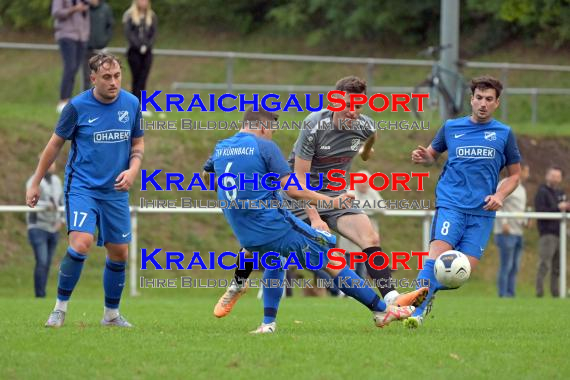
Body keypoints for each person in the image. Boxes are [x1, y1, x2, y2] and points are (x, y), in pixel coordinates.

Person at [213, 76, 428, 318]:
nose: (353, 112)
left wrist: (366, 151)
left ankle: (391, 298)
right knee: (257, 247)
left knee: (370, 236)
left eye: (358, 106)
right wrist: (315, 217)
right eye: (347, 105)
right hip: (299, 196)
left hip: (336, 196)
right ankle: (237, 286)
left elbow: (371, 137)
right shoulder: (314, 125)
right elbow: (300, 180)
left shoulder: (365, 125)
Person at [26, 53, 144, 328]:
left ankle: (111, 315)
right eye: (106, 77)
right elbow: (54, 145)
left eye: (117, 76)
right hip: (83, 187)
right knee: (81, 243)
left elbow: (137, 146)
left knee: (120, 253)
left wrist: (133, 170)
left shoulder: (132, 103)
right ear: (93, 78)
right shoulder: (77, 107)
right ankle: (59, 309)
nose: (113, 82)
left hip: (115, 191)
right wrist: (35, 181)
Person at [405, 75, 522, 328]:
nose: (483, 103)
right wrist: (423, 156)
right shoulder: (451, 127)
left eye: (488, 99)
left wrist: (500, 195)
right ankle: (415, 311)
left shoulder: (504, 134)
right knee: (436, 259)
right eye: (479, 98)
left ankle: (425, 293)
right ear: (471, 99)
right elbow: (431, 156)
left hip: (482, 212)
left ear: (496, 103)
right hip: (451, 204)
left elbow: (515, 176)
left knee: (458, 274)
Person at [26, 161, 65, 298]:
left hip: (53, 227)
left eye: (53, 163)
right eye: (48, 162)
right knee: (42, 261)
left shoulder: (56, 180)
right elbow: (30, 200)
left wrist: (62, 220)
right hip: (38, 226)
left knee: (47, 262)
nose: (51, 165)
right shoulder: (34, 181)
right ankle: (39, 295)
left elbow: (61, 201)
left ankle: (42, 293)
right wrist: (46, 204)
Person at [494, 163, 530, 298]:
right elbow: (498, 202)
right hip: (506, 232)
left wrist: (526, 221)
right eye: (527, 171)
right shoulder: (506, 184)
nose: (528, 174)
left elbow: (518, 210)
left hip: (518, 231)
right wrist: (504, 222)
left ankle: (511, 293)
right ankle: (503, 294)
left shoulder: (522, 189)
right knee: (506, 265)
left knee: (515, 266)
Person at [535, 166, 569, 298]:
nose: (556, 179)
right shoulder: (542, 192)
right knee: (544, 264)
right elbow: (541, 210)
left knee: (558, 266)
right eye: (553, 176)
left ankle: (556, 293)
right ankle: (539, 292)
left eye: (558, 176)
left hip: (561, 233)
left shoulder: (561, 193)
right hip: (547, 233)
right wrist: (557, 207)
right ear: (547, 176)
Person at [52, 0, 91, 113]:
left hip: (81, 37)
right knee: (70, 67)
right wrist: (74, 9)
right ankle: (63, 100)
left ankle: (69, 100)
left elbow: (87, 17)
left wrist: (86, 34)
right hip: (67, 35)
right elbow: (56, 13)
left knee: (75, 68)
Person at [123, 0, 157, 111]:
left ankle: (142, 104)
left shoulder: (151, 16)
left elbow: (153, 34)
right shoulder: (129, 15)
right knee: (136, 78)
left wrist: (146, 45)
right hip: (134, 52)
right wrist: (138, 45)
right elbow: (129, 33)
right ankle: (134, 104)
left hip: (147, 52)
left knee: (143, 78)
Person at [82, 0, 114, 90]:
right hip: (87, 49)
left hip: (101, 50)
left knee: (103, 75)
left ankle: (102, 98)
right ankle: (87, 100)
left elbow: (110, 26)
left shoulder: (105, 9)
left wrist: (104, 40)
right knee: (87, 76)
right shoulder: (84, 9)